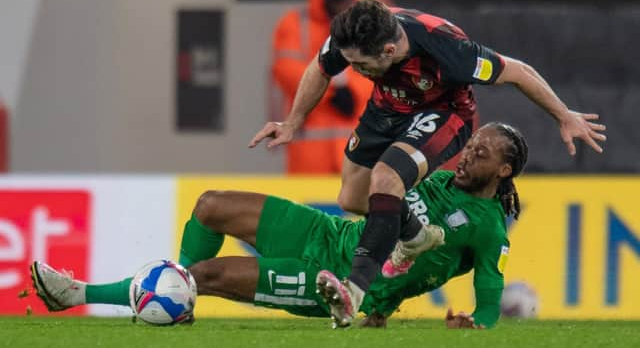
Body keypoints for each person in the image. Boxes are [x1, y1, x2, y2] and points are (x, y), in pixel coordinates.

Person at [249, 0, 607, 326]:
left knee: (386, 179)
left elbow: (517, 71)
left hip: (442, 113)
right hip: (387, 108)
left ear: (389, 49)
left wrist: (563, 115)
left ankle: (353, 292)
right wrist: (292, 122)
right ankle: (417, 234)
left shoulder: (449, 51)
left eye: (359, 64)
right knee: (352, 199)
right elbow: (319, 67)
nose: (352, 70)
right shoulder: (358, 35)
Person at [33, 123, 527, 329]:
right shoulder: (440, 179)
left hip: (339, 285)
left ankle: (81, 294)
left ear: (504, 172)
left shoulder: (487, 228)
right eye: (470, 145)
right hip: (328, 234)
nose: (469, 154)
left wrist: (478, 323)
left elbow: (490, 289)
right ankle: (172, 301)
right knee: (209, 205)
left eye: (483, 153)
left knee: (206, 276)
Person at [271, 0, 372, 174]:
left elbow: (384, 72)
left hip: (358, 157)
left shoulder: (372, 22)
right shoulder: (295, 23)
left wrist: (353, 92)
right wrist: (331, 91)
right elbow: (286, 72)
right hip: (310, 160)